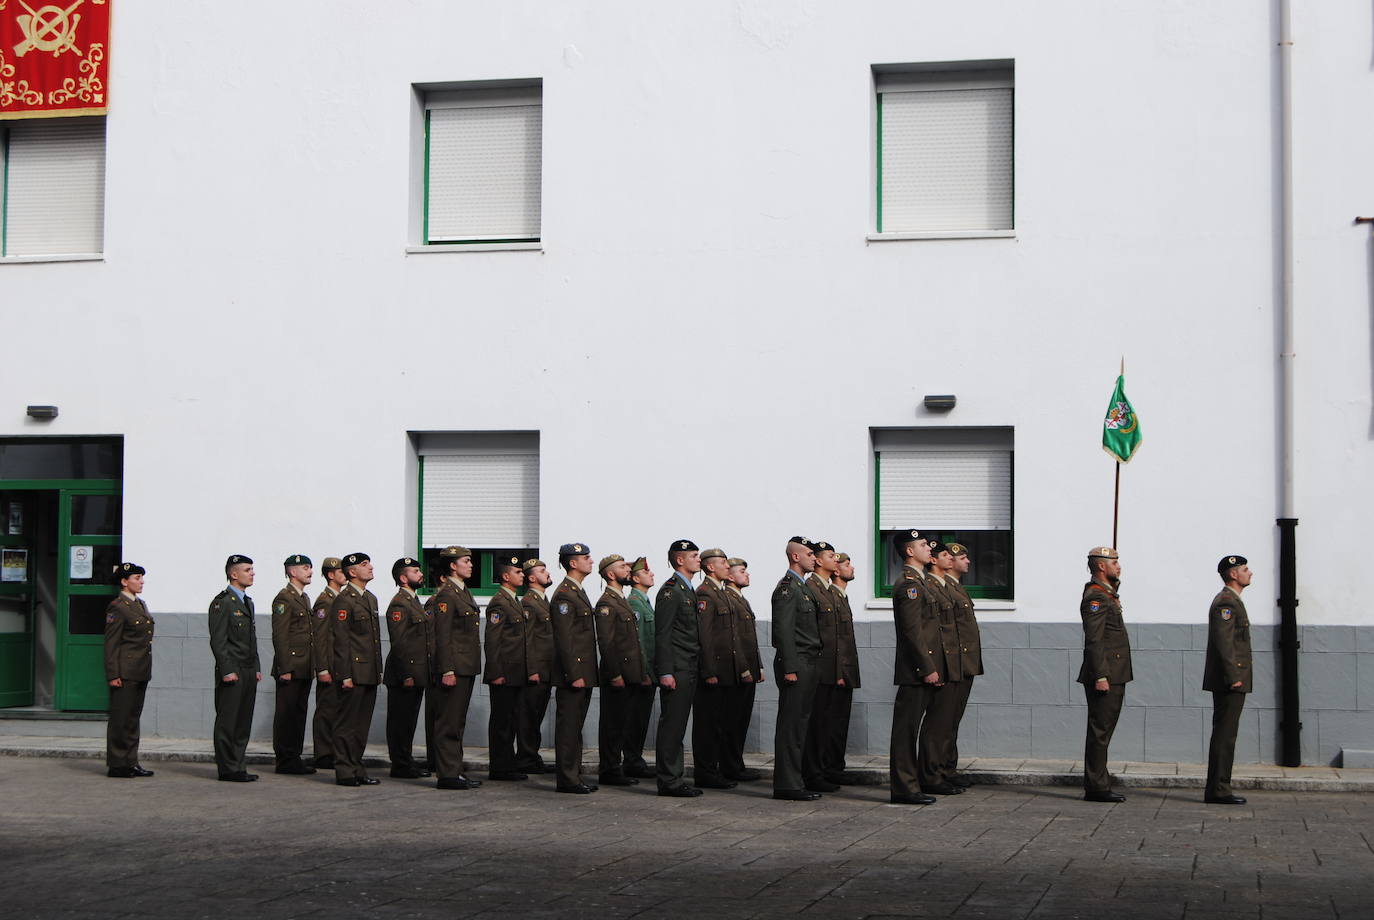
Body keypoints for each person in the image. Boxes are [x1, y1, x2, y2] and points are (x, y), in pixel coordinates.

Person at [1079, 546, 1133, 803]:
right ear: (1101, 566)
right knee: (1100, 732)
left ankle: (1099, 781)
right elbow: (1095, 640)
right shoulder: (1096, 597)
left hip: (1114, 672)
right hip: (1106, 674)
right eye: (1114, 562)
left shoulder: (1108, 594)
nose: (1119, 566)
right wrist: (1101, 675)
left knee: (1104, 731)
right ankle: (1097, 786)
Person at [889, 530, 938, 806]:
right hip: (915, 670)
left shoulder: (921, 582)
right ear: (909, 552)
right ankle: (904, 787)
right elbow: (912, 632)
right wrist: (927, 667)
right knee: (905, 731)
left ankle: (910, 784)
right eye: (922, 544)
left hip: (921, 668)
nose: (928, 548)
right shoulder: (909, 584)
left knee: (912, 728)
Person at [593, 554, 651, 786]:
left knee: (622, 723)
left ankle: (616, 767)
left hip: (630, 673)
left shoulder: (622, 600)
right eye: (622, 566)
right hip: (617, 674)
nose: (627, 569)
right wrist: (615, 673)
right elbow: (606, 643)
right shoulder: (607, 602)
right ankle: (609, 769)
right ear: (610, 574)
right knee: (612, 724)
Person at [772, 536, 822, 802]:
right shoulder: (787, 589)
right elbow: (783, 630)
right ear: (795, 557)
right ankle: (787, 784)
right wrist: (790, 668)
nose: (814, 558)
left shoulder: (805, 588)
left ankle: (796, 780)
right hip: (797, 663)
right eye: (810, 554)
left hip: (809, 661)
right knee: (791, 726)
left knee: (801, 724)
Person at [428, 546, 483, 790]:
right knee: (448, 722)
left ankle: (455, 770)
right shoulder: (446, 596)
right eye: (466, 561)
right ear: (452, 565)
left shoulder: (463, 592)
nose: (471, 565)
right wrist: (447, 670)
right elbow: (442, 636)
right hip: (455, 668)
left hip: (466, 666)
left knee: (457, 721)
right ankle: (447, 774)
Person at [654, 538, 704, 797]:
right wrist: (665, 671)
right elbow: (662, 634)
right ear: (680, 560)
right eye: (694, 555)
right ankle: (669, 781)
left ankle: (675, 777)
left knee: (679, 725)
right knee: (672, 726)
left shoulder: (687, 590)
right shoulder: (671, 590)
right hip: (677, 668)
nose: (699, 559)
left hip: (689, 666)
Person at [1203, 555, 1254, 806]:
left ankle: (1220, 787)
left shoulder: (1232, 601)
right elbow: (1224, 643)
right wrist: (1234, 676)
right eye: (1245, 569)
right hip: (1229, 680)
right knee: (1225, 735)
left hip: (1232, 678)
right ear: (1233, 574)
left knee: (1226, 734)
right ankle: (1219, 789)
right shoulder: (1226, 602)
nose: (1250, 573)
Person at [209, 554, 262, 783]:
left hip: (248, 669)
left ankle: (239, 765)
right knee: (228, 721)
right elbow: (218, 641)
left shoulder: (247, 602)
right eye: (247, 570)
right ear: (234, 574)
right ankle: (228, 768)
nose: (252, 573)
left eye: (252, 569)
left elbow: (251, 639)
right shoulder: (223, 602)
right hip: (232, 670)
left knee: (242, 721)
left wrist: (256, 667)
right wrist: (226, 669)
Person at [331, 551, 383, 787]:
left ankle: (357, 767)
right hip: (353, 672)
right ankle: (344, 770)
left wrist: (378, 669)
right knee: (347, 724)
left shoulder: (370, 598)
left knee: (361, 726)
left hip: (369, 671)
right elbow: (341, 641)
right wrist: (345, 675)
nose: (370, 567)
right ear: (352, 572)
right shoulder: (344, 600)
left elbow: (373, 639)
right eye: (364, 564)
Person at [551, 542, 599, 793]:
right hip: (574, 674)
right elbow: (564, 639)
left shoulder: (577, 591)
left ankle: (574, 775)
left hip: (584, 672)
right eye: (586, 557)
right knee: (569, 728)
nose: (591, 561)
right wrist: (574, 674)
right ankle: (567, 779)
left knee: (575, 727)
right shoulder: (565, 595)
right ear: (573, 563)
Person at [810, 550, 860, 787]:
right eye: (847, 564)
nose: (852, 568)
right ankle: (822, 769)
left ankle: (833, 767)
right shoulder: (826, 594)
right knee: (824, 723)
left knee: (837, 723)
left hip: (843, 669)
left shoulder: (839, 596)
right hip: (830, 670)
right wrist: (838, 672)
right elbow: (830, 640)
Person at [917, 543, 964, 796]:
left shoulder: (946, 586)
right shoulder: (930, 586)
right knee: (936, 724)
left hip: (956, 663)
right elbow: (929, 632)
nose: (952, 559)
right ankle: (931, 774)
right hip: (942, 664)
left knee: (947, 722)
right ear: (934, 560)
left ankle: (943, 771)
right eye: (946, 555)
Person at [383, 556, 434, 779]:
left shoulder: (413, 601)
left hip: (416, 672)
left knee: (409, 720)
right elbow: (400, 642)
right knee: (400, 721)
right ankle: (400, 764)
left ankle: (406, 760)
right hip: (404, 674)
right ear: (403, 578)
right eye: (415, 571)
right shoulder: (399, 603)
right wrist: (407, 674)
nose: (420, 574)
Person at [693, 547, 738, 790]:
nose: (727, 567)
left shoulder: (720, 593)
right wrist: (709, 671)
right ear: (710, 567)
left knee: (719, 723)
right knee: (707, 725)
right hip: (713, 672)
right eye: (723, 563)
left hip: (725, 671)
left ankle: (714, 769)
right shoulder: (706, 594)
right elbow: (705, 637)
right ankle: (706, 771)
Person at [484, 555, 532, 781]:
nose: (522, 575)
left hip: (516, 673)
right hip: (504, 672)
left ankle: (508, 764)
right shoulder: (499, 602)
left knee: (512, 720)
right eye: (518, 572)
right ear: (505, 576)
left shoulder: (514, 600)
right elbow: (493, 641)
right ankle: (500, 767)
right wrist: (496, 673)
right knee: (502, 722)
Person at [104, 562, 154, 778]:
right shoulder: (118, 606)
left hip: (139, 669)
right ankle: (117, 763)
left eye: (141, 578)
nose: (141, 581)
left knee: (133, 718)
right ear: (124, 581)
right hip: (124, 671)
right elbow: (111, 644)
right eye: (136, 578)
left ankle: (131, 761)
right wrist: (113, 674)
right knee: (120, 719)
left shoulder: (140, 604)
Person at [938, 542, 982, 788]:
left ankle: (948, 768)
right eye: (963, 557)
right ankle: (940, 770)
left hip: (965, 663)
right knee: (945, 721)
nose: (968, 561)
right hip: (955, 663)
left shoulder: (957, 588)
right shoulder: (945, 588)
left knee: (953, 720)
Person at [802, 541, 844, 794]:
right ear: (818, 561)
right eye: (831, 556)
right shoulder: (811, 588)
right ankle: (811, 773)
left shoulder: (828, 589)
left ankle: (819, 771)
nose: (836, 561)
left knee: (824, 724)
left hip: (830, 667)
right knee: (815, 725)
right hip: (817, 667)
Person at [270, 554, 316, 775]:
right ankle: (285, 758)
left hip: (304, 666)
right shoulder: (284, 598)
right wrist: (285, 668)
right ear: (292, 572)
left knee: (298, 714)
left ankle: (294, 757)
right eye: (305, 568)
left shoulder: (304, 598)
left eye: (310, 567)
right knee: (286, 715)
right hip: (291, 667)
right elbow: (280, 637)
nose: (310, 571)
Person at [722, 558, 764, 782]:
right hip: (738, 671)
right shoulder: (728, 599)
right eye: (742, 571)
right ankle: (730, 765)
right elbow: (734, 639)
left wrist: (758, 666)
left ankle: (736, 764)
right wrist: (744, 669)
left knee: (741, 720)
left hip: (749, 668)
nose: (747, 575)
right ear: (729, 576)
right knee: (732, 721)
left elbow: (750, 639)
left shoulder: (740, 599)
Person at [517, 558, 554, 775]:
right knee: (529, 716)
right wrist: (532, 670)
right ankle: (526, 757)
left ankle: (532, 755)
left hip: (546, 669)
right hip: (537, 670)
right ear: (532, 578)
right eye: (542, 571)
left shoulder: (543, 600)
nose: (547, 573)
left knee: (536, 715)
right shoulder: (529, 602)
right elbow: (528, 639)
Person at [622, 557, 658, 779]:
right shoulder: (635, 603)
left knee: (641, 718)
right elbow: (638, 641)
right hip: (642, 673)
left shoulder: (644, 601)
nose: (651, 574)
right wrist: (643, 671)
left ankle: (635, 758)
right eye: (646, 572)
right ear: (636, 578)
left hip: (649, 671)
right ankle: (632, 760)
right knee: (635, 719)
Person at [309, 557, 346, 770]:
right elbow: (320, 636)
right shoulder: (326, 600)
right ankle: (323, 753)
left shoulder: (341, 599)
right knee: (327, 709)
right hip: (330, 665)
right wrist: (322, 668)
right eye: (341, 571)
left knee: (338, 709)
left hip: (340, 665)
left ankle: (333, 750)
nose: (345, 575)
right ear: (331, 575)